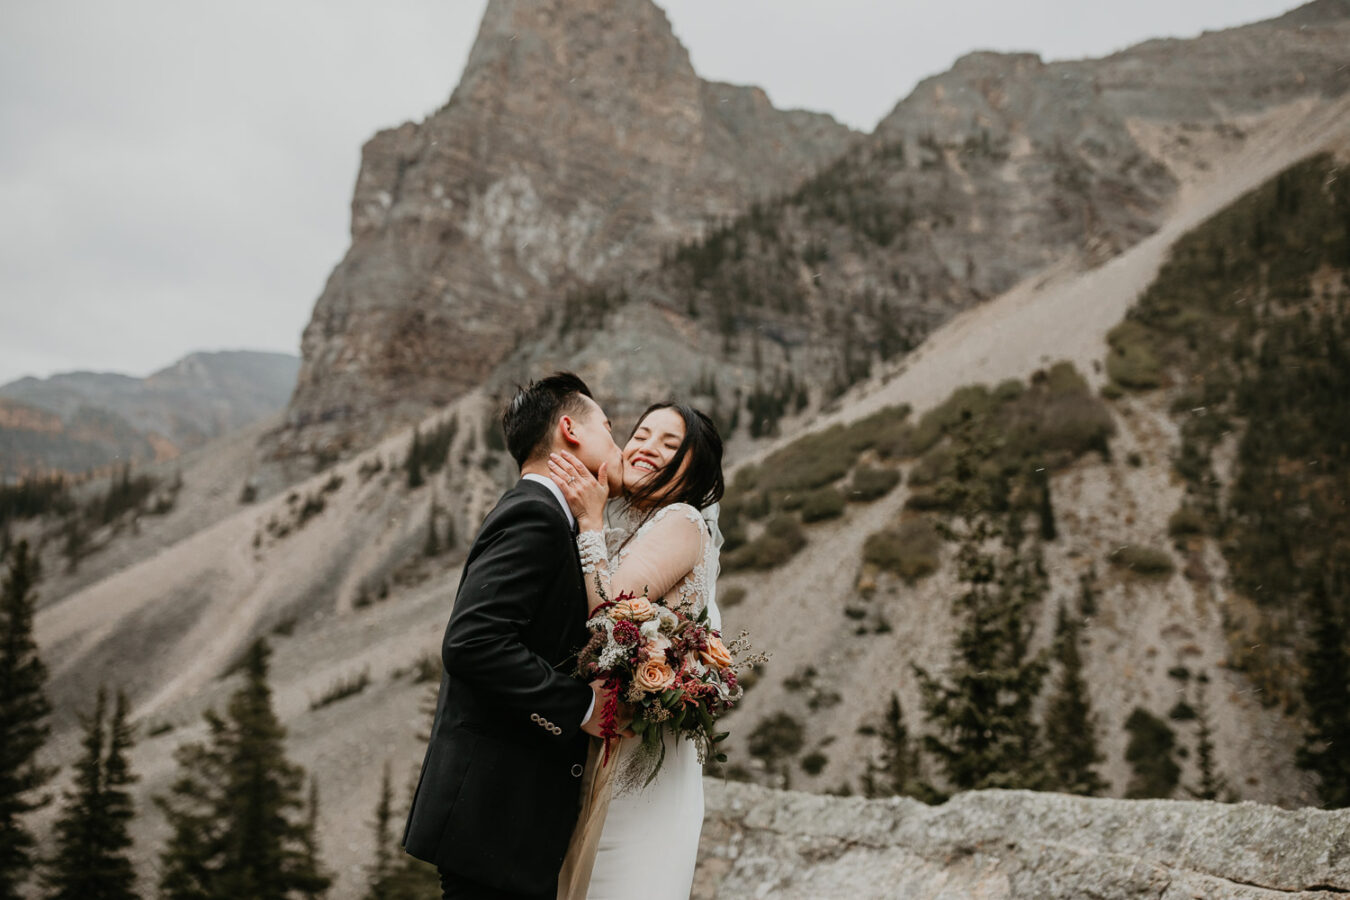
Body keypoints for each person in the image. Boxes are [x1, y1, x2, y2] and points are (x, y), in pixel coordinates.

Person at [401, 372, 632, 900]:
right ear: (570, 429)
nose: (617, 446)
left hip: (502, 823)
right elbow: (472, 642)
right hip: (492, 817)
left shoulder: (553, 516)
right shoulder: (536, 514)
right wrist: (582, 706)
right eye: (610, 429)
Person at [546, 402, 726, 900]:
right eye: (642, 434)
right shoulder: (654, 525)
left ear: (696, 470)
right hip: (619, 739)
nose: (647, 448)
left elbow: (610, 607)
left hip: (641, 754)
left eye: (670, 445)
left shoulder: (682, 521)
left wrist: (590, 520)